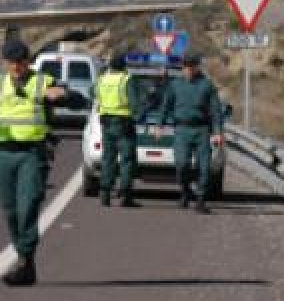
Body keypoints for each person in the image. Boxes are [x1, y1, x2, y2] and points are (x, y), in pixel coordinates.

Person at [0, 40, 67, 286]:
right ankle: (25, 262)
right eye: (12, 62)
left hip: (32, 153)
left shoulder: (43, 81)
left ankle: (25, 260)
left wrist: (62, 94)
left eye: (21, 62)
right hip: (4, 154)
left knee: (28, 205)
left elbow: (72, 97)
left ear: (28, 61)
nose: (16, 66)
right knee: (11, 211)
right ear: (6, 62)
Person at [156, 53, 225, 214]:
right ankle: (185, 191)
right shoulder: (175, 85)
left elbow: (215, 110)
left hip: (202, 130)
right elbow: (165, 106)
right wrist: (160, 125)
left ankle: (200, 199)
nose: (188, 70)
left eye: (191, 67)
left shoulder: (206, 85)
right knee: (182, 164)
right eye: (185, 67)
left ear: (196, 67)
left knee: (204, 166)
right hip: (182, 129)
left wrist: (217, 131)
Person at [95, 53, 140, 208]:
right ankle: (125, 196)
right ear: (123, 66)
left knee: (108, 159)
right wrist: (138, 116)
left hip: (106, 123)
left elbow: (92, 92)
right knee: (126, 160)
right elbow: (134, 103)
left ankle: (105, 195)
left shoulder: (102, 79)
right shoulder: (126, 79)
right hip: (123, 124)